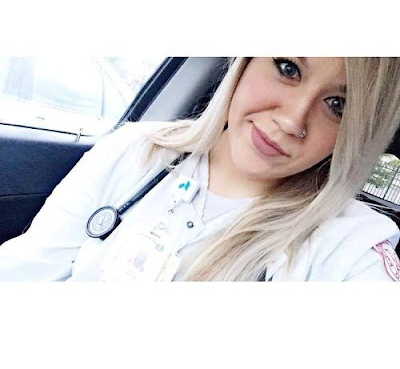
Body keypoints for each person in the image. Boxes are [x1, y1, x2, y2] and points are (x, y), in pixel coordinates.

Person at [1, 57, 400, 281]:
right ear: (245, 62)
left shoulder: (351, 245)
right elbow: (24, 274)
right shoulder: (136, 150)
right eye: (288, 68)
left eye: (338, 105)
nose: (292, 120)